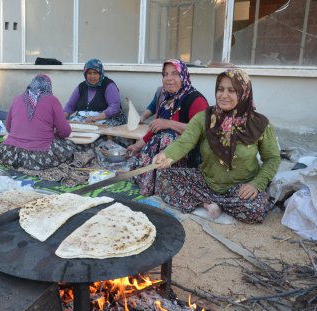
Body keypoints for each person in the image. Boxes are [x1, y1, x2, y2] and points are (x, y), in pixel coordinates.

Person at [152, 69, 280, 224]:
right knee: (164, 178)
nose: (223, 95)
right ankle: (209, 204)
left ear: (244, 92)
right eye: (220, 89)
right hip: (206, 181)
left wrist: (256, 184)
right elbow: (185, 142)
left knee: (256, 209)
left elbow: (272, 158)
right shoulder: (205, 117)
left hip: (240, 188)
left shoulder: (260, 124)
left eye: (232, 90)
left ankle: (215, 203)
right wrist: (167, 154)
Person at [126, 59, 208, 196]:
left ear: (183, 76)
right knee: (136, 161)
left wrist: (169, 123)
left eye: (174, 74)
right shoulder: (166, 99)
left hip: (186, 156)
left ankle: (165, 186)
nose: (169, 79)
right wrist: (138, 146)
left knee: (167, 137)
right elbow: (155, 128)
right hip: (160, 158)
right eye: (165, 74)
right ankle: (153, 184)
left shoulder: (196, 100)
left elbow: (200, 131)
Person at [0, 74, 76, 170]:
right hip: (40, 156)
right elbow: (65, 131)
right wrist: (56, 133)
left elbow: (9, 128)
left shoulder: (17, 99)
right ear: (48, 87)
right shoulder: (52, 100)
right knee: (69, 147)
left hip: (10, 153)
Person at [63, 59, 126, 125]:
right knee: (70, 124)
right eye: (89, 73)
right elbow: (70, 106)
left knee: (100, 129)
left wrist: (95, 118)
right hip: (85, 118)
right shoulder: (81, 87)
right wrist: (62, 116)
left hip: (106, 118)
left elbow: (114, 107)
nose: (92, 76)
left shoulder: (109, 85)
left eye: (95, 73)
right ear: (85, 74)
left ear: (100, 74)